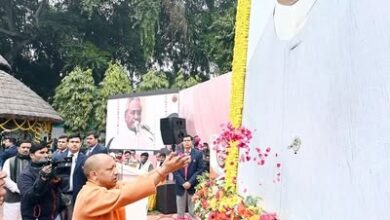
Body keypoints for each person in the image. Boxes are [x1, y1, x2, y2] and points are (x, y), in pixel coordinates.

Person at [72, 153, 190, 219]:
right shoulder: (89, 195)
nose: (116, 172)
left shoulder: (111, 187)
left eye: (115, 167)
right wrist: (163, 171)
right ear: (94, 175)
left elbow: (138, 183)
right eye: (110, 169)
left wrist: (162, 168)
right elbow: (126, 194)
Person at [17, 142, 62, 220]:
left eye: (47, 152)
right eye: (41, 152)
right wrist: (42, 178)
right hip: (35, 216)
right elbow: (30, 197)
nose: (45, 155)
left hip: (54, 215)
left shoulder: (50, 169)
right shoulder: (25, 174)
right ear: (31, 155)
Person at [54, 134, 87, 220]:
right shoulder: (58, 158)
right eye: (72, 142)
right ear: (68, 143)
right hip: (60, 194)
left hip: (77, 195)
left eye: (77, 142)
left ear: (80, 144)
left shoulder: (85, 159)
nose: (74, 144)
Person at [173, 135, 204, 220]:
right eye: (185, 140)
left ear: (192, 142)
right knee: (180, 212)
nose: (186, 142)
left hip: (193, 185)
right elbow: (174, 170)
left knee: (193, 211)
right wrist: (183, 182)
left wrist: (190, 182)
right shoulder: (177, 154)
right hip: (180, 185)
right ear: (182, 143)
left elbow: (200, 170)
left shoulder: (198, 154)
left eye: (188, 140)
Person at [2, 139, 31, 220]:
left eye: (28, 148)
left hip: (30, 199)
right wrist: (20, 190)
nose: (26, 149)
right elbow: (6, 179)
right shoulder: (9, 161)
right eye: (23, 147)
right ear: (18, 148)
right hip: (12, 198)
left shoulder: (34, 161)